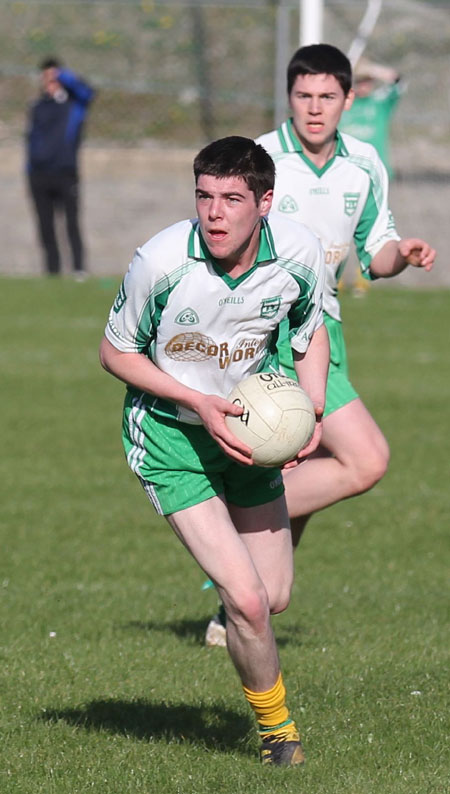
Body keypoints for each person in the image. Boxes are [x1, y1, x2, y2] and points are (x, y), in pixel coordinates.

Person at [99, 136, 329, 766]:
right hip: (173, 438)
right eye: (204, 196)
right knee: (248, 601)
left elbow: (310, 336)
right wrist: (197, 401)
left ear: (265, 202)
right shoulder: (162, 261)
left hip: (251, 438)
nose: (215, 213)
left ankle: (235, 600)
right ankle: (278, 734)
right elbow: (115, 352)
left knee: (272, 595)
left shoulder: (299, 254)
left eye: (232, 198)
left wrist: (311, 409)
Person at [204, 44, 435, 648]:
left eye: (327, 97)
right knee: (367, 459)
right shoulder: (261, 157)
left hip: (324, 329)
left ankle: (235, 602)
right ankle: (223, 520)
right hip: (271, 333)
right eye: (304, 96)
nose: (314, 108)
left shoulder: (365, 164)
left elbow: (376, 253)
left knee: (293, 462)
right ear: (289, 98)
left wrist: (401, 256)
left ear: (348, 100)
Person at [26, 57, 95, 277]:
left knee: (71, 223)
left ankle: (78, 269)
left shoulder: (73, 104)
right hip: (39, 174)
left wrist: (60, 74)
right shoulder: (38, 106)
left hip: (65, 173)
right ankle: (52, 270)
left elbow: (88, 92)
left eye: (53, 77)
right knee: (45, 226)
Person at [339, 57, 405, 178]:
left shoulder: (380, 102)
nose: (363, 85)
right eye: (360, 81)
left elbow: (398, 81)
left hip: (375, 170)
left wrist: (372, 69)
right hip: (347, 171)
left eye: (367, 81)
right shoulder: (342, 104)